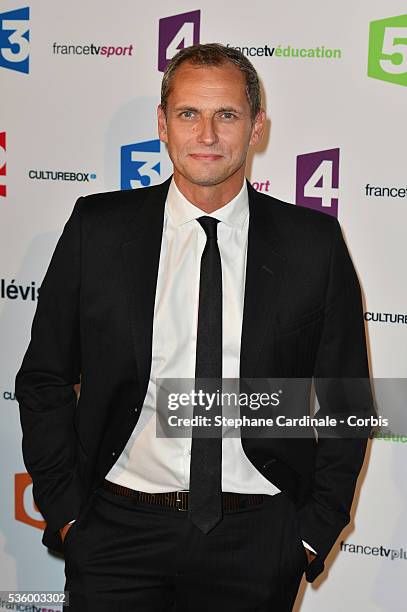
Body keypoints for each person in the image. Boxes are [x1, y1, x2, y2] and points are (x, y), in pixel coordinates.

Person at [15, 43, 372, 611]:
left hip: (257, 540)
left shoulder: (315, 246)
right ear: (162, 124)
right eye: (189, 114)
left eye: (226, 114)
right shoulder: (98, 230)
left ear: (257, 127)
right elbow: (43, 379)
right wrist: (67, 513)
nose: (207, 134)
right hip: (116, 534)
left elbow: (346, 402)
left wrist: (310, 532)